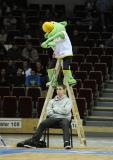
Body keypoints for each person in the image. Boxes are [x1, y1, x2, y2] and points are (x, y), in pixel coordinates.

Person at [17, 84, 72, 149]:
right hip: (53, 118)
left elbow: (66, 111)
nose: (58, 91)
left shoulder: (68, 100)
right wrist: (59, 112)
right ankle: (34, 142)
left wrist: (55, 109)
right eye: (57, 89)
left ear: (64, 90)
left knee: (65, 124)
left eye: (60, 89)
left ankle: (66, 143)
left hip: (64, 118)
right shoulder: (51, 101)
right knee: (43, 123)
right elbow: (49, 112)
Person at [41, 21, 76, 87]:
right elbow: (49, 45)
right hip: (57, 55)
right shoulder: (51, 38)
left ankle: (70, 79)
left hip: (66, 53)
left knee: (65, 67)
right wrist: (46, 44)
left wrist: (47, 41)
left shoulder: (63, 33)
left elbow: (59, 34)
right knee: (50, 67)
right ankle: (53, 81)